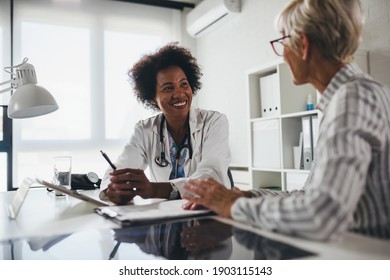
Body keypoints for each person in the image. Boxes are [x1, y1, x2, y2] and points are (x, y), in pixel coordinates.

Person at [183, 0, 390, 241]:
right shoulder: (349, 97)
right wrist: (248, 197)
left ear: (303, 45)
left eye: (282, 42)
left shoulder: (352, 98)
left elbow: (319, 214)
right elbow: (311, 197)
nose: (282, 55)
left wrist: (234, 206)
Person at [100, 42, 231, 205]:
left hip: (209, 212)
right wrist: (113, 189)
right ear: (152, 99)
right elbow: (118, 169)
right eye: (168, 88)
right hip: (167, 219)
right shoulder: (144, 130)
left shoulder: (214, 122)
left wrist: (153, 190)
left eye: (184, 84)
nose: (180, 94)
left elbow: (211, 176)